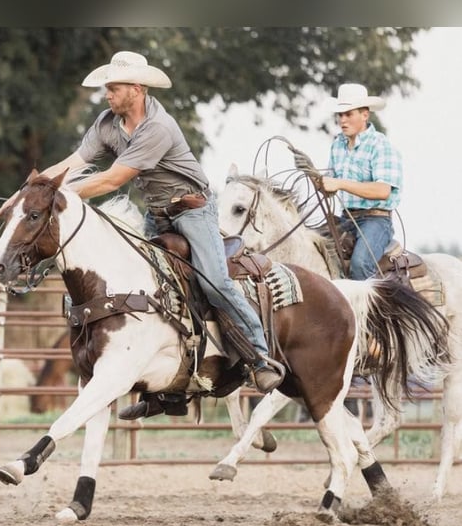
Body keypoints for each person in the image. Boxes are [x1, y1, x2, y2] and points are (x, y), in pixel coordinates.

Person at [36, 51, 285, 417]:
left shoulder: (158, 127)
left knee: (215, 281)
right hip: (157, 214)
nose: (107, 93)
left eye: (114, 87)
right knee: (147, 290)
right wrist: (37, 187)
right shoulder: (106, 124)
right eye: (107, 87)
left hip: (193, 211)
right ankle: (165, 390)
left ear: (136, 90)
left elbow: (113, 179)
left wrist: (59, 197)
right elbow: (75, 163)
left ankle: (260, 355)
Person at [319, 83, 403, 280]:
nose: (342, 120)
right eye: (340, 115)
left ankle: (373, 311)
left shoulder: (380, 145)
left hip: (376, 221)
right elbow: (331, 182)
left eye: (348, 114)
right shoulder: (337, 145)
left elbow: (383, 190)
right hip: (346, 219)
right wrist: (321, 183)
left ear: (365, 115)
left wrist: (340, 183)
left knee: (360, 264)